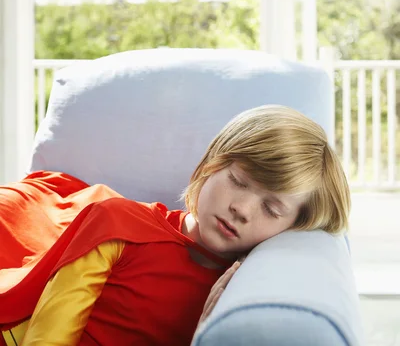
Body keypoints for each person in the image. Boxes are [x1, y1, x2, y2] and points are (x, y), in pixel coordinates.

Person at [0, 105, 350, 346]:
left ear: (293, 226)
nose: (241, 208)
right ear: (212, 164)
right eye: (239, 182)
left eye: (272, 208)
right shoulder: (119, 225)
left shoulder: (245, 286)